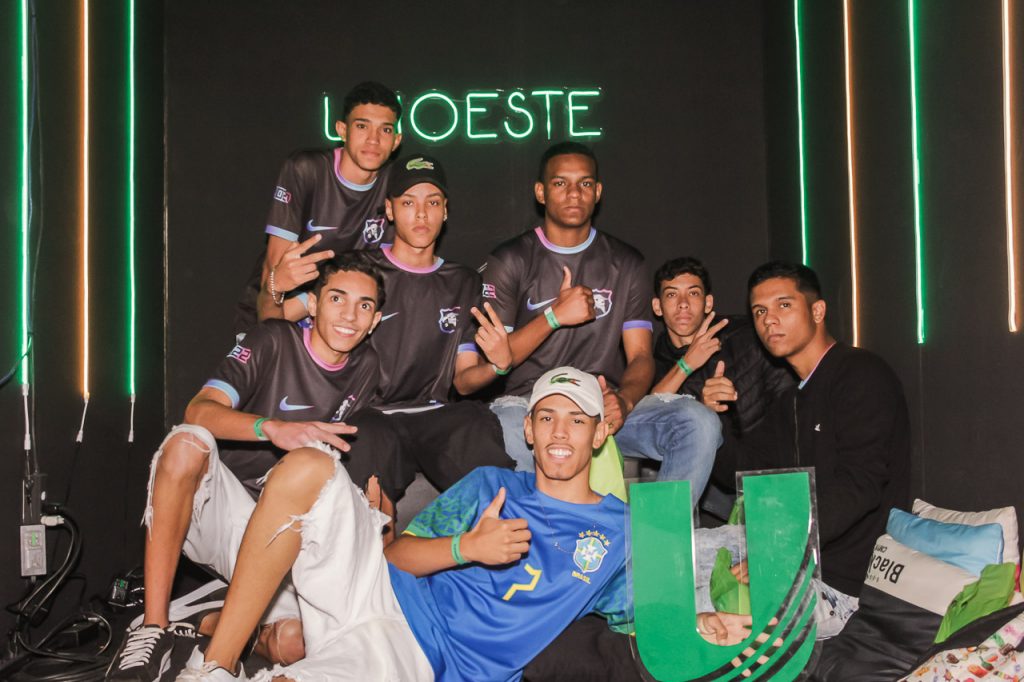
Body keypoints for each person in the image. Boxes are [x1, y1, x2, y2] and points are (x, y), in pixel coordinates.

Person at [171, 367, 631, 681]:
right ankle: (214, 667)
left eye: (576, 420)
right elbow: (395, 558)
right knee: (308, 464)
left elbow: (648, 618)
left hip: (421, 652)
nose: (559, 432)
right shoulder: (491, 484)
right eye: (547, 417)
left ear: (599, 433)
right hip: (377, 588)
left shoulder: (621, 530)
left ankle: (263, 633)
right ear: (529, 429)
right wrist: (466, 547)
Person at [107, 253, 385, 681]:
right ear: (312, 304)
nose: (349, 315)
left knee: (295, 645)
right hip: (228, 513)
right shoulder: (272, 339)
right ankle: (153, 627)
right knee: (186, 442)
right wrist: (271, 428)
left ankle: (206, 618)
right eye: (337, 299)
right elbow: (199, 409)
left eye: (364, 305)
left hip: (288, 538)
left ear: (375, 320)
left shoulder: (367, 368)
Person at [480, 142, 720, 494]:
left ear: (598, 192)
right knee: (507, 425)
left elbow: (640, 357)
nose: (574, 193)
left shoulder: (626, 263)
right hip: (530, 403)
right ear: (541, 192)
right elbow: (497, 358)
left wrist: (624, 400)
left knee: (697, 421)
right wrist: (554, 316)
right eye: (560, 183)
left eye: (585, 183)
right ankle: (545, 527)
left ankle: (659, 530)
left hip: (602, 406)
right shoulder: (510, 259)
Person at [705, 261, 911, 636]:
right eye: (759, 311)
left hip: (844, 586)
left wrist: (778, 549)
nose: (769, 320)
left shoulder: (861, 375)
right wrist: (712, 420)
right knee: (675, 567)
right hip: (799, 563)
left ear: (817, 311)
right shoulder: (793, 402)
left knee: (709, 616)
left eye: (784, 305)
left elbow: (860, 485)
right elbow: (743, 471)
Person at [338, 154, 513, 530]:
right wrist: (277, 289)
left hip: (434, 414)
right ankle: (373, 556)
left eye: (432, 202)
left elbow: (464, 380)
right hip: (371, 414)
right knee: (366, 454)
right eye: (408, 202)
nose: (421, 214)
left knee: (475, 426)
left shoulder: (464, 281)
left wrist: (498, 365)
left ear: (445, 210)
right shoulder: (358, 270)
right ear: (389, 209)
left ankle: (502, 548)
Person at [234, 81, 402, 331]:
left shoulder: (397, 183)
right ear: (342, 130)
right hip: (278, 311)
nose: (373, 139)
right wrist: (278, 324)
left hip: (339, 319)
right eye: (362, 126)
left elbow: (392, 270)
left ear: (396, 140)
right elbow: (274, 272)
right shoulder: (306, 170)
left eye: (385, 130)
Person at [650, 256, 794, 439]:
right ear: (657, 307)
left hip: (769, 450)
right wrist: (687, 366)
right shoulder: (653, 364)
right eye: (672, 294)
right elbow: (647, 422)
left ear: (708, 303)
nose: (683, 303)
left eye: (693, 293)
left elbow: (790, 406)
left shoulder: (748, 337)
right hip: (709, 456)